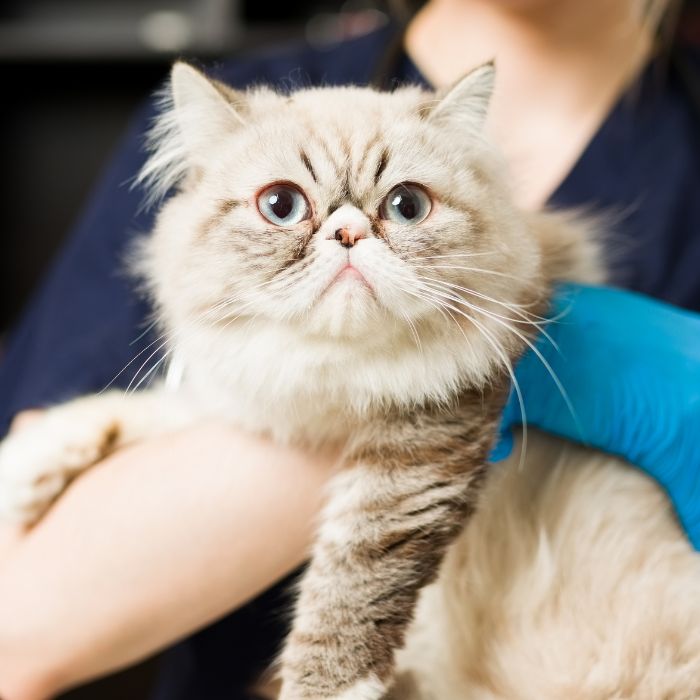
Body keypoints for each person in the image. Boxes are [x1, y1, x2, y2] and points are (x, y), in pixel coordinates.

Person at [0, 0, 699, 698]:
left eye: (405, 205)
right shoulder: (232, 110)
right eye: (282, 204)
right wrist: (428, 406)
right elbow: (18, 629)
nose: (346, 236)